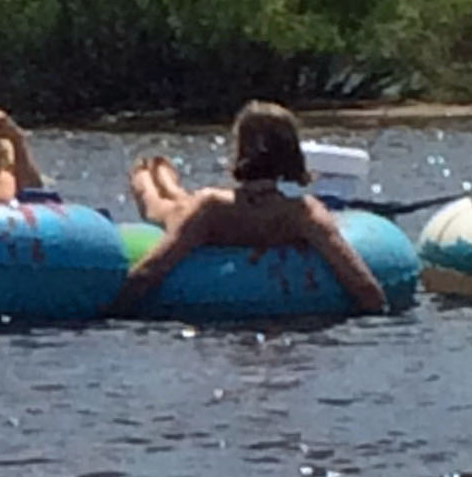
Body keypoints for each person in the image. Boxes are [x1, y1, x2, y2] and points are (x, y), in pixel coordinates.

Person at [106, 102, 387, 317]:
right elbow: (362, 285)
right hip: (213, 208)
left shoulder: (210, 208)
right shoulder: (304, 214)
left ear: (239, 152)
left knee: (162, 206)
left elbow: (150, 271)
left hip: (202, 213)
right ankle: (151, 173)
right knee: (169, 203)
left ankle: (150, 171)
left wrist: (109, 313)